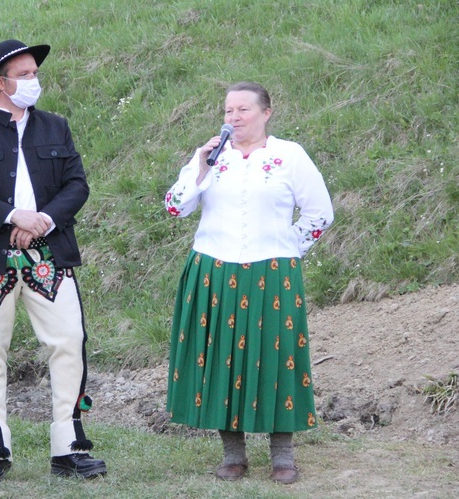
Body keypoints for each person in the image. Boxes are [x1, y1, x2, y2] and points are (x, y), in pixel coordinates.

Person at [0, 39, 106, 482]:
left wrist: (43, 221)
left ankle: (69, 446)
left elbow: (77, 185)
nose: (34, 80)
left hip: (50, 254)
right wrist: (13, 216)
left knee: (69, 340)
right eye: (24, 74)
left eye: (35, 72)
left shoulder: (56, 126)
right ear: (0, 82)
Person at [165, 81, 334, 484]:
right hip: (214, 269)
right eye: (228, 111)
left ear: (266, 113)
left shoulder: (289, 156)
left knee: (277, 357)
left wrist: (286, 249)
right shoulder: (209, 156)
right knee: (222, 357)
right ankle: (233, 453)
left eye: (243, 110)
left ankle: (283, 454)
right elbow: (175, 207)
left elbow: (320, 214)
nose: (234, 118)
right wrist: (202, 167)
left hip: (272, 273)